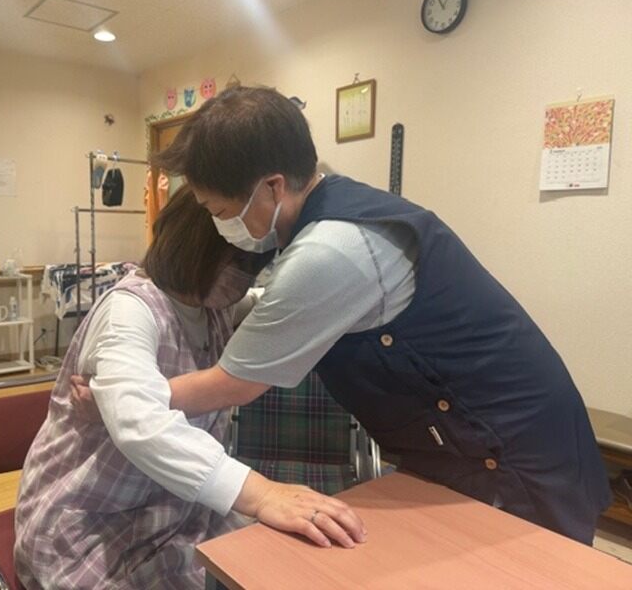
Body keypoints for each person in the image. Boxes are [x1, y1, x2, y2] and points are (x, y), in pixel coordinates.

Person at [147, 86, 611, 546]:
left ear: (272, 186)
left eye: (220, 211)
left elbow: (233, 384)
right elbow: (285, 306)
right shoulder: (337, 207)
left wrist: (128, 396)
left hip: (510, 451)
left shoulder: (328, 251)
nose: (222, 226)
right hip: (480, 435)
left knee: (528, 569)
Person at [13, 186, 366, 590]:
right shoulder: (129, 312)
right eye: (238, 265)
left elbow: (267, 302)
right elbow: (140, 423)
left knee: (278, 562)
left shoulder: (212, 307)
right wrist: (263, 494)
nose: (243, 281)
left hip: (169, 506)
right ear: (194, 246)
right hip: (90, 519)